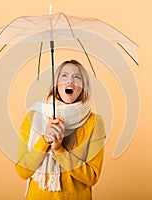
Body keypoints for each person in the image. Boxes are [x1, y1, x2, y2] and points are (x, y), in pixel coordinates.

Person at [15, 60, 106, 200]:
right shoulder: (34, 117)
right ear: (55, 84)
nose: (70, 81)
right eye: (64, 75)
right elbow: (22, 171)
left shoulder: (94, 123)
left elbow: (91, 177)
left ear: (84, 87)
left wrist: (59, 150)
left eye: (77, 77)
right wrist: (45, 140)